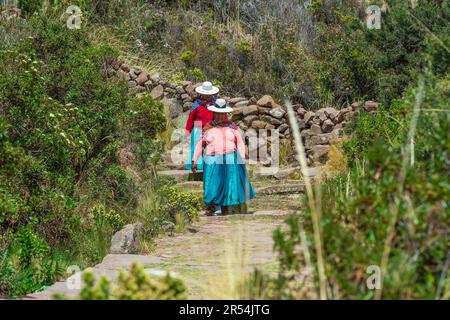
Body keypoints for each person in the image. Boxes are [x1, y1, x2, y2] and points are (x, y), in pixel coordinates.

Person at [192, 99, 256, 216]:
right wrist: (194, 160)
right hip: (212, 159)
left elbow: (240, 143)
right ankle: (213, 206)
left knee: (229, 184)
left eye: (222, 114)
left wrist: (241, 158)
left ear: (225, 114)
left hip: (230, 158)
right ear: (214, 114)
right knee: (212, 184)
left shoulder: (232, 127)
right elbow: (200, 144)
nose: (220, 116)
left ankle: (226, 207)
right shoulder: (208, 128)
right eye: (217, 113)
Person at [185, 81, 219, 171]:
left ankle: (210, 165)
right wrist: (188, 131)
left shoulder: (216, 104)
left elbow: (222, 115)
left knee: (211, 147)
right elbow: (191, 119)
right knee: (196, 145)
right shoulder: (197, 104)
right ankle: (196, 164)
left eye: (210, 94)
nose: (208, 96)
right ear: (201, 93)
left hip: (211, 128)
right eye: (205, 94)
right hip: (198, 127)